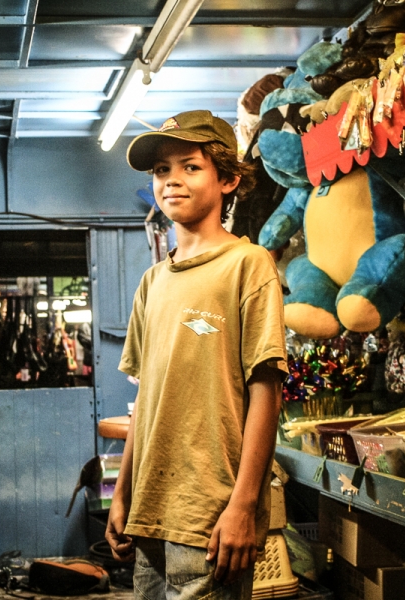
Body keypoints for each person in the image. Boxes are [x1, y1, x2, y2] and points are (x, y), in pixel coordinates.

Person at [105, 110, 288, 599]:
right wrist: (122, 494)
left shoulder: (248, 265)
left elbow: (265, 390)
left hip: (212, 515)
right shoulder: (153, 281)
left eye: (190, 166)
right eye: (161, 171)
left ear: (227, 178)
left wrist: (244, 505)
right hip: (150, 510)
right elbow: (146, 400)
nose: (172, 182)